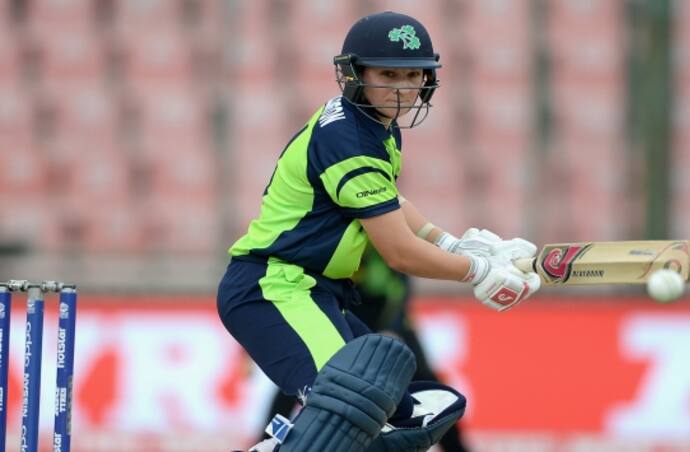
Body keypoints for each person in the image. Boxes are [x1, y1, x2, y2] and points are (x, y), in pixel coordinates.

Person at [217, 11, 541, 451]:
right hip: (275, 287)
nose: (403, 88)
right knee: (353, 410)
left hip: (313, 290)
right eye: (387, 73)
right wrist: (478, 271)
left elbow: (388, 203)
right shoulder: (349, 140)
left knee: (397, 412)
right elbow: (399, 253)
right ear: (354, 74)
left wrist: (449, 241)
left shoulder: (372, 126)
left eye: (413, 75)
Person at [257, 244, 473, 451]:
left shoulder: (375, 234)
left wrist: (393, 328)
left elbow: (398, 287)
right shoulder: (331, 239)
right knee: (302, 376)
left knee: (421, 380)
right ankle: (266, 442)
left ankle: (457, 448)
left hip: (385, 316)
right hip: (346, 313)